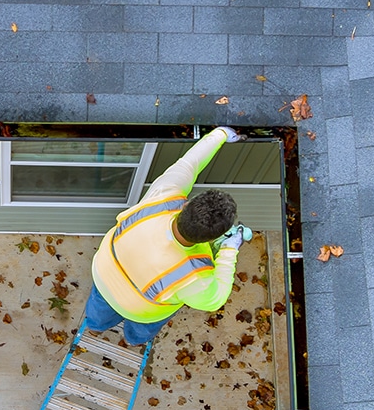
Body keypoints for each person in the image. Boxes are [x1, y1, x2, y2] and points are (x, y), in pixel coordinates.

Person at [84, 126, 252, 345]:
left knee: (99, 307)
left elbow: (189, 164)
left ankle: (95, 329)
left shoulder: (164, 196)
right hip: (142, 310)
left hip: (105, 273)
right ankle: (132, 340)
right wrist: (229, 249)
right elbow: (215, 299)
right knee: (144, 326)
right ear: (212, 239)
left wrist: (218, 135)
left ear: (187, 204)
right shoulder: (194, 276)